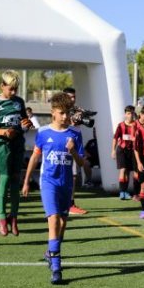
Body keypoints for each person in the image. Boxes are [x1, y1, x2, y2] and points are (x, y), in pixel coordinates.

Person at [22, 93, 85, 285]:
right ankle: (57, 268)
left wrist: (73, 150)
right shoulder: (43, 133)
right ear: (53, 113)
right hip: (48, 183)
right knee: (54, 220)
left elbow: (81, 163)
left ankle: (51, 253)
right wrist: (26, 181)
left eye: (68, 113)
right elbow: (34, 157)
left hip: (66, 184)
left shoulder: (75, 134)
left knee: (62, 225)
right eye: (62, 113)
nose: (65, 117)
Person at [0, 70, 33, 236]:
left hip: (18, 143)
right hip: (2, 145)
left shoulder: (19, 101)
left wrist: (27, 123)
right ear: (2, 86)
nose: (13, 92)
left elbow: (24, 120)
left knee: (15, 180)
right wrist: (2, 133)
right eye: (10, 89)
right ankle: (2, 218)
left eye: (15, 89)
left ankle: (14, 218)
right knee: (4, 179)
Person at [62, 87, 88, 215]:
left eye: (74, 97)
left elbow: (80, 124)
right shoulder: (61, 110)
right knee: (68, 175)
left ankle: (70, 203)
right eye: (70, 97)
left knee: (74, 174)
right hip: (66, 141)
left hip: (76, 139)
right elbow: (60, 125)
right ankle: (68, 204)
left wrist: (81, 118)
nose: (73, 99)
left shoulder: (77, 109)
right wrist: (71, 121)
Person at [112, 105, 136, 200]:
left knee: (128, 171)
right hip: (122, 150)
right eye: (128, 113)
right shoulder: (121, 125)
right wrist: (113, 150)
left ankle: (126, 191)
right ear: (125, 114)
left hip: (132, 151)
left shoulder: (136, 125)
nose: (130, 115)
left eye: (132, 113)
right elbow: (115, 138)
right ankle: (122, 192)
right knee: (123, 169)